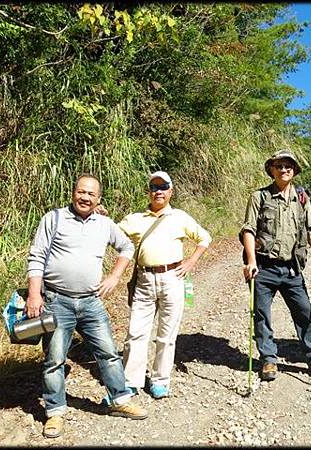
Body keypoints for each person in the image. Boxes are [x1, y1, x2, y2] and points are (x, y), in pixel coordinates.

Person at [26, 174, 148, 439]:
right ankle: (55, 412)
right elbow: (36, 257)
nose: (85, 197)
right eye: (81, 192)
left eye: (91, 194)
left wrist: (115, 276)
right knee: (54, 360)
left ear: (98, 199)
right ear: (73, 193)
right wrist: (34, 295)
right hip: (57, 301)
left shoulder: (105, 224)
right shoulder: (53, 218)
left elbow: (127, 247)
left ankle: (119, 400)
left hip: (91, 303)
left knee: (108, 353)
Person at [240, 149, 311, 383]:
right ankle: (268, 360)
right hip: (263, 267)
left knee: (306, 314)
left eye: (288, 166)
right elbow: (248, 230)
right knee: (262, 315)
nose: (284, 169)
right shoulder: (259, 197)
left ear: (294, 170)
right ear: (271, 170)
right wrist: (251, 261)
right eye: (279, 166)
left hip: (292, 269)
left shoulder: (302, 198)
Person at [118, 171, 211, 399]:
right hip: (144, 280)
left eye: (163, 187)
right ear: (148, 191)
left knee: (167, 334)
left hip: (173, 279)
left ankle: (160, 380)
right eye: (154, 187)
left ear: (171, 191)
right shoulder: (136, 219)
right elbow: (112, 234)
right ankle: (131, 380)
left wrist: (191, 262)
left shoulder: (179, 217)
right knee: (136, 333)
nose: (158, 191)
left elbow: (204, 238)